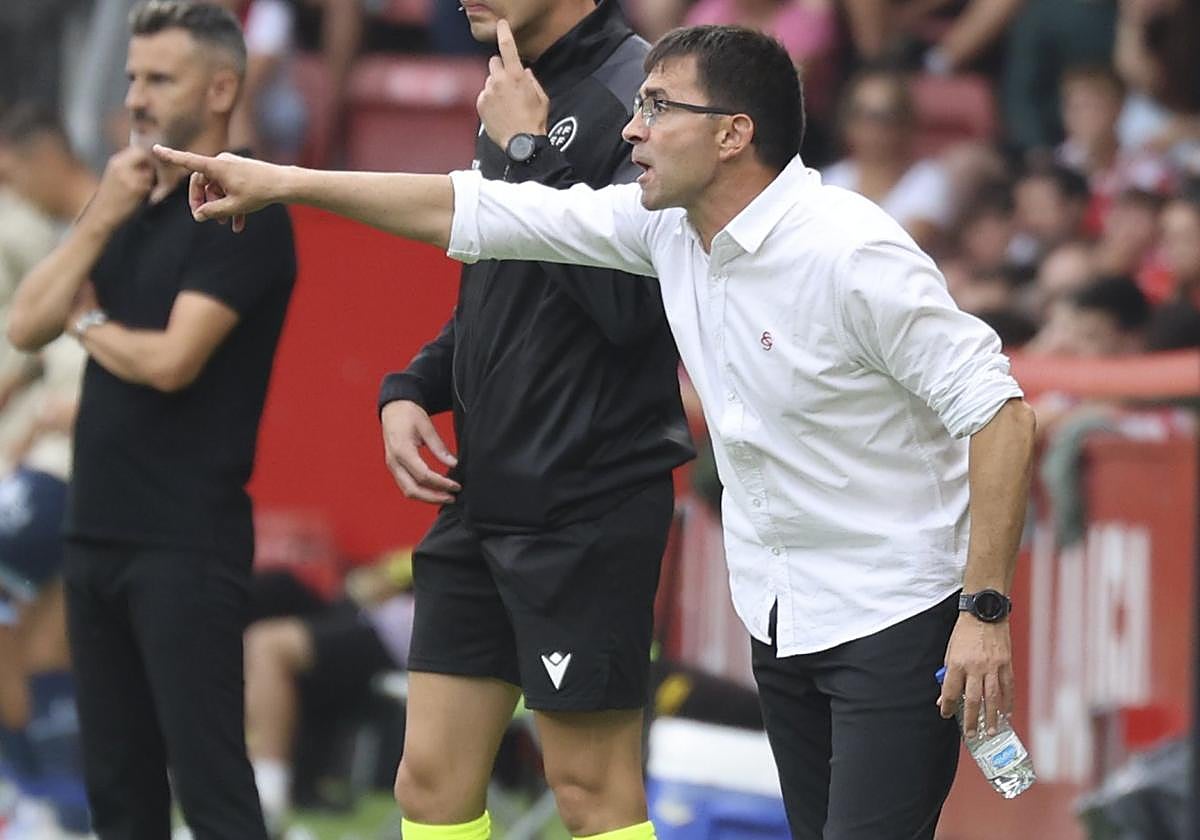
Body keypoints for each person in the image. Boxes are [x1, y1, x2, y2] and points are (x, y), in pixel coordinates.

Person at [156, 22, 1038, 840]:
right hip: (782, 616)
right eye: (639, 104)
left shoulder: (850, 251)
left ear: (733, 135)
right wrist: (283, 183)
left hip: (898, 612)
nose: (631, 130)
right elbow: (473, 212)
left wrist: (983, 612)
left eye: (659, 109)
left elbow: (1001, 414)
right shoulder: (666, 230)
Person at [377, 2, 692, 838]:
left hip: (587, 503)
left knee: (590, 791)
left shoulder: (645, 95)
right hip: (481, 497)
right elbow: (500, 281)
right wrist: (410, 386)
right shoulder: (516, 91)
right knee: (429, 781)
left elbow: (632, 308)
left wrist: (523, 155)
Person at [6, 3, 297, 839]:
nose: (134, 96)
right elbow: (26, 322)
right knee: (116, 790)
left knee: (211, 790)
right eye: (132, 76)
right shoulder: (122, 199)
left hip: (185, 542)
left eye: (158, 79)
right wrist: (99, 213)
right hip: (95, 529)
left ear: (221, 89)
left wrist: (89, 327)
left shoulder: (247, 210)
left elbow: (173, 361)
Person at [244, 548, 416, 835]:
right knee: (275, 586)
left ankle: (267, 797)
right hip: (370, 616)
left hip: (404, 636)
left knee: (266, 644)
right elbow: (374, 582)